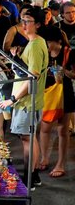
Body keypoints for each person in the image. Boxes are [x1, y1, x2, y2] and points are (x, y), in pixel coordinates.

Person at [0, 7, 48, 190]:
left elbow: (31, 76)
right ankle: (33, 176)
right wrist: (17, 58)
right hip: (31, 100)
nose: (24, 25)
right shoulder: (36, 42)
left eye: (27, 21)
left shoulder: (35, 45)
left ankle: (28, 178)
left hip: (27, 101)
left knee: (27, 139)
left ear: (37, 24)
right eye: (22, 21)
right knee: (29, 137)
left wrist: (12, 99)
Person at [39, 26, 75, 178]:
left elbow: (74, 74)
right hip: (47, 94)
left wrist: (63, 71)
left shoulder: (69, 53)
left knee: (62, 131)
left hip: (65, 94)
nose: (46, 45)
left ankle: (60, 163)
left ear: (58, 41)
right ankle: (44, 158)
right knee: (44, 128)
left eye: (48, 42)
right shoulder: (43, 53)